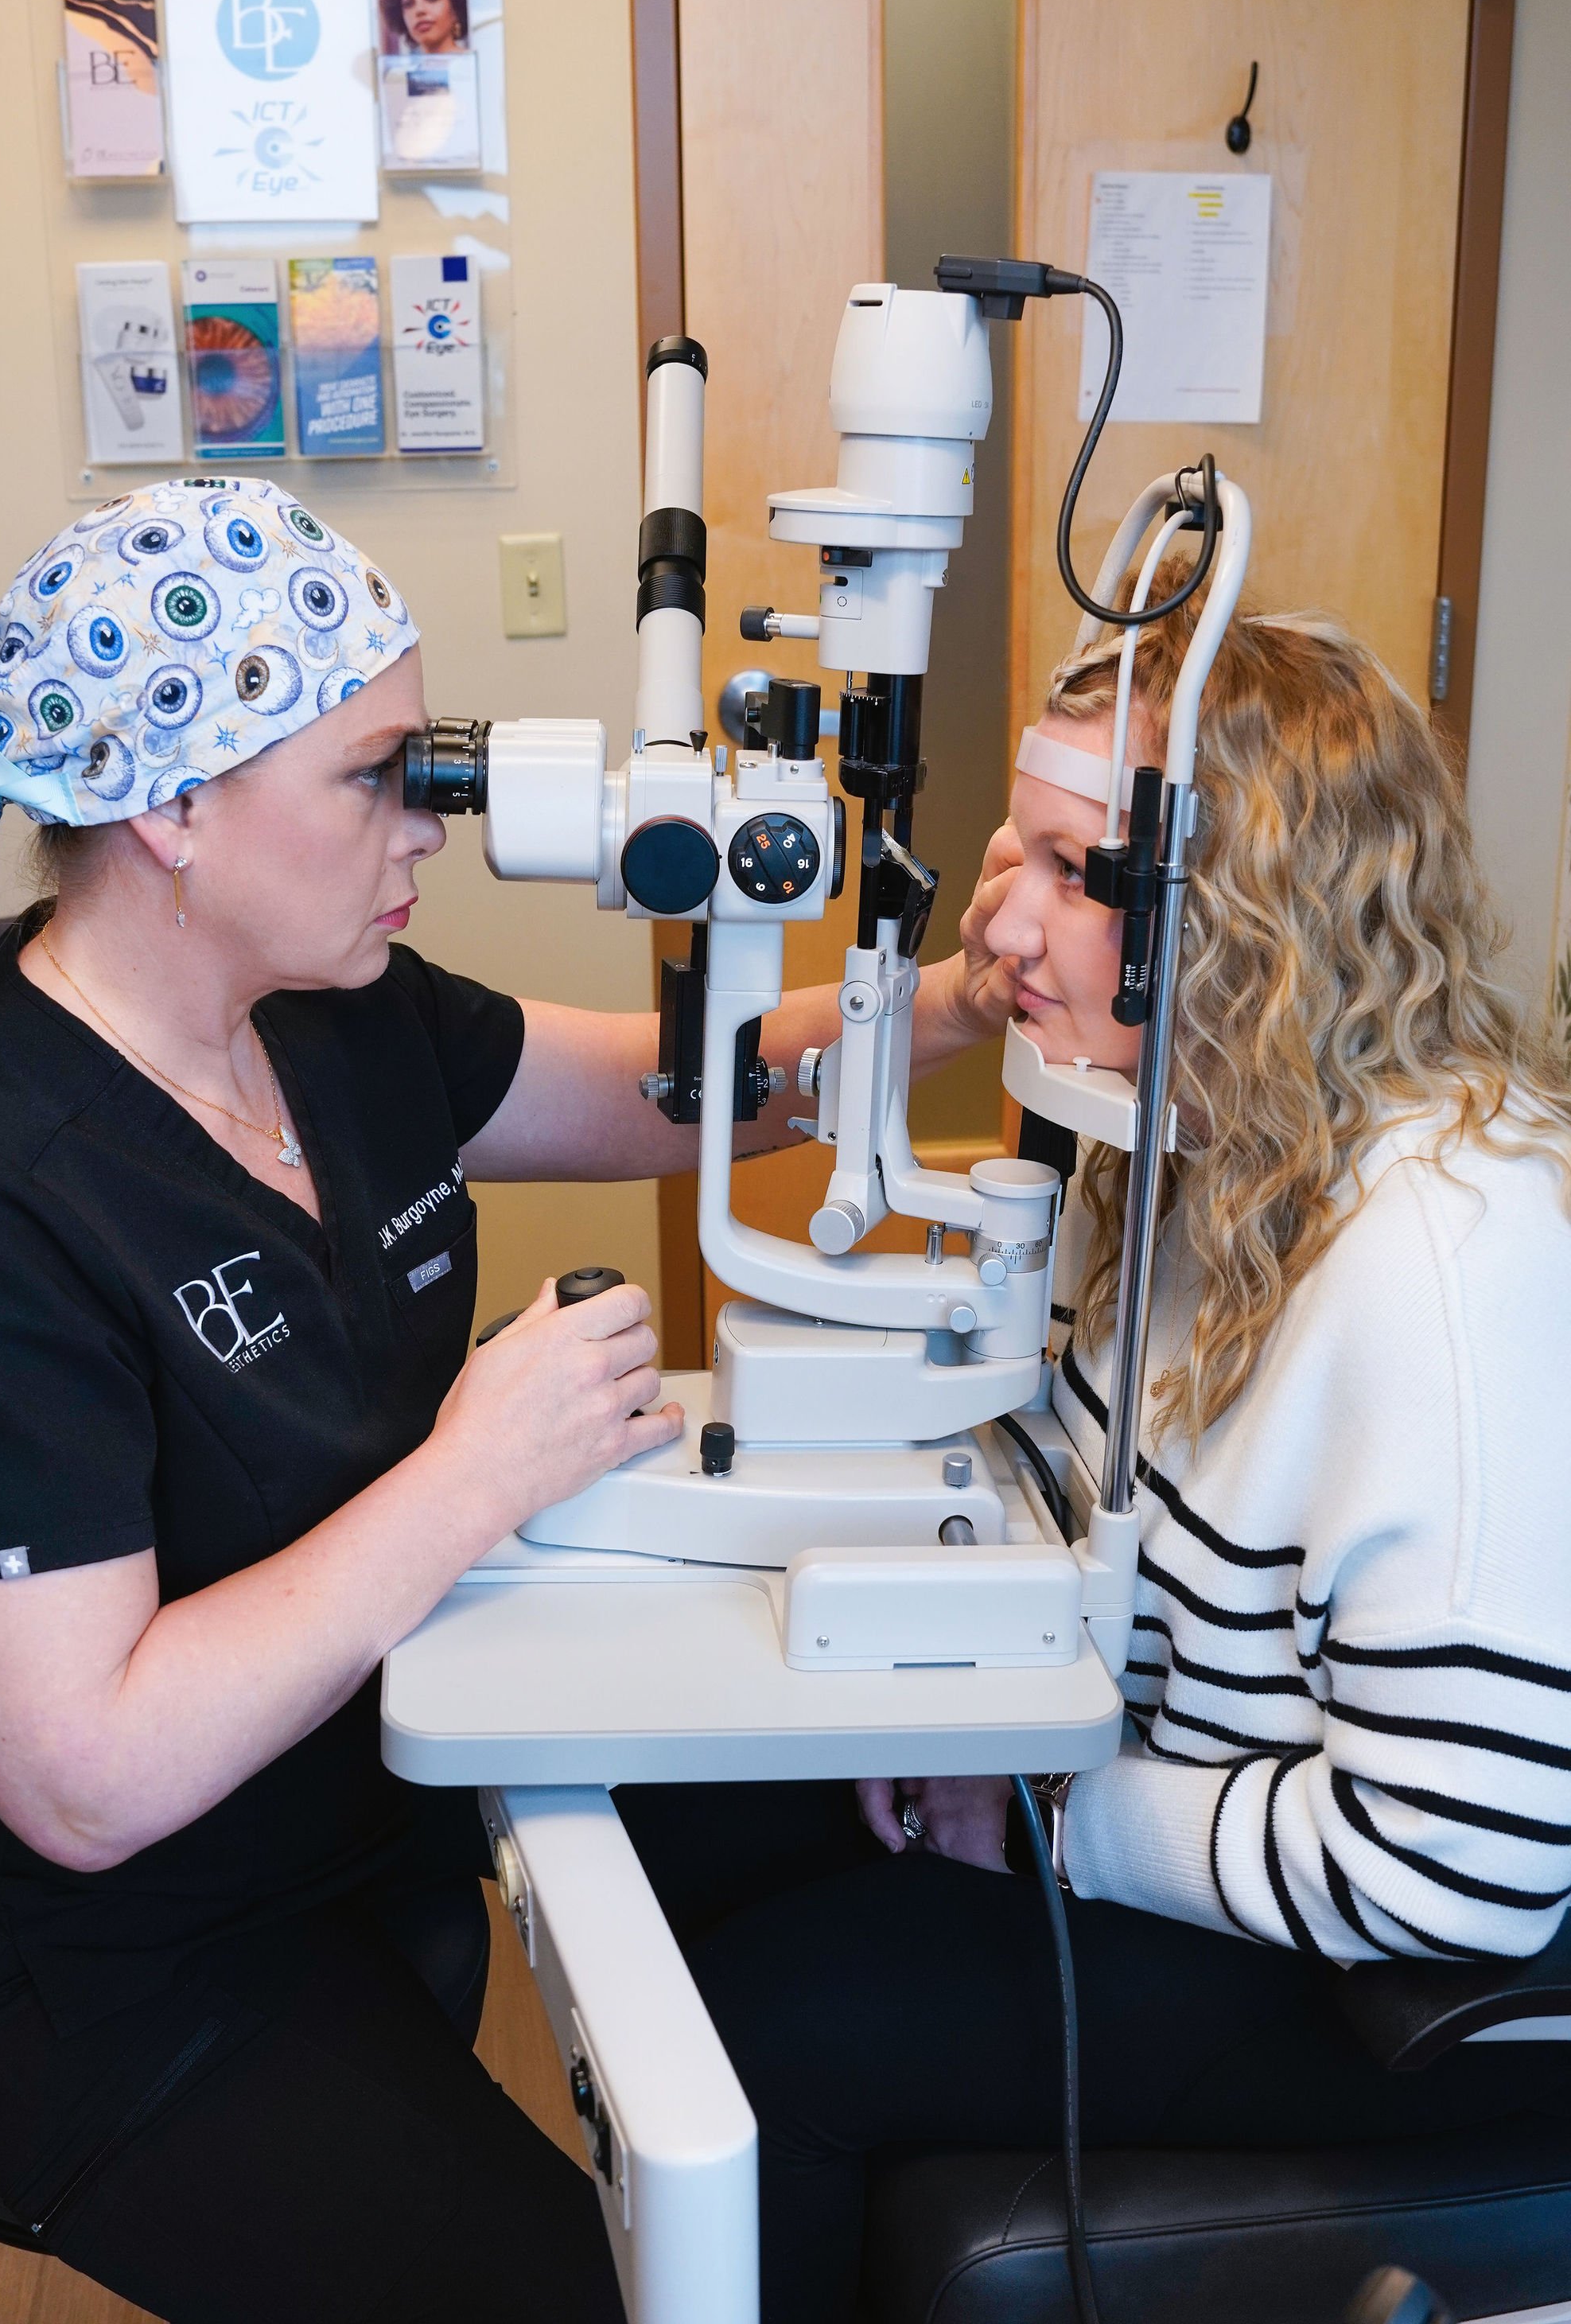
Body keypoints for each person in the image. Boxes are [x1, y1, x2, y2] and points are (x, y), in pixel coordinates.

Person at [0, 478, 1003, 2322]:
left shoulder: (332, 1009)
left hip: (379, 1774)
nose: (427, 816)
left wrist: (967, 995)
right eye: (375, 773)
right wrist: (474, 1468)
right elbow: (84, 1778)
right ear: (178, 803)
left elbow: (680, 1092)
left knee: (867, 1892)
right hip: (120, 1959)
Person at [616, 573, 1571, 2324]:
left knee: (775, 2033)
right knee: (673, 1826)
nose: (1004, 935)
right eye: (1014, 862)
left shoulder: (1450, 1251)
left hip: (1388, 1982)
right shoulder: (1191, 1137)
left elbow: (1460, 1861)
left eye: (1073, 876)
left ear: (1253, 910)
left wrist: (1048, 1817)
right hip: (1169, 1811)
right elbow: (1071, 1486)